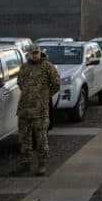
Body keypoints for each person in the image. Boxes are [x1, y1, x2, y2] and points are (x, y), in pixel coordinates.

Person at [14, 46, 60, 176]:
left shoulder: (48, 67)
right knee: (23, 138)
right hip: (24, 108)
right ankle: (25, 163)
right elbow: (20, 82)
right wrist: (29, 93)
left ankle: (42, 164)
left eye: (36, 53)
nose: (34, 55)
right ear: (28, 54)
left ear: (40, 53)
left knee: (41, 139)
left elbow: (56, 84)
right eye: (32, 53)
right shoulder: (24, 67)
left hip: (40, 110)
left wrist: (44, 96)